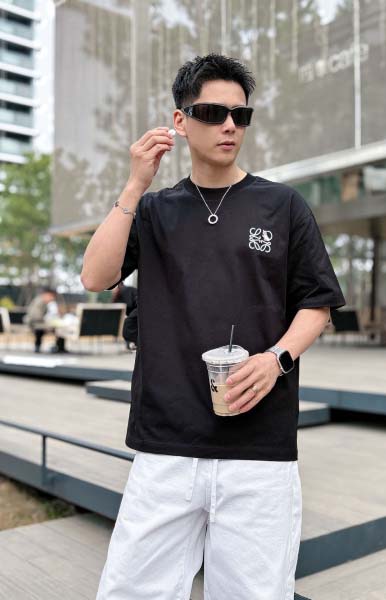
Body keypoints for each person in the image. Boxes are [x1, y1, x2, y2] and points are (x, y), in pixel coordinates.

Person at [81, 53, 346, 600]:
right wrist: (134, 185)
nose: (229, 125)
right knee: (131, 592)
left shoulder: (282, 205)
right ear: (180, 121)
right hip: (166, 445)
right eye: (212, 112)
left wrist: (276, 360)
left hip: (259, 449)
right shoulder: (154, 210)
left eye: (240, 115)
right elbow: (95, 276)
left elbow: (317, 303)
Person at [24, 287, 68, 354]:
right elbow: (36, 316)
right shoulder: (39, 302)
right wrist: (48, 320)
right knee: (41, 329)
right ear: (46, 295)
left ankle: (60, 347)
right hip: (34, 323)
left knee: (61, 328)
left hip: (41, 322)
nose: (52, 298)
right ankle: (38, 346)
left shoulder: (46, 303)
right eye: (51, 296)